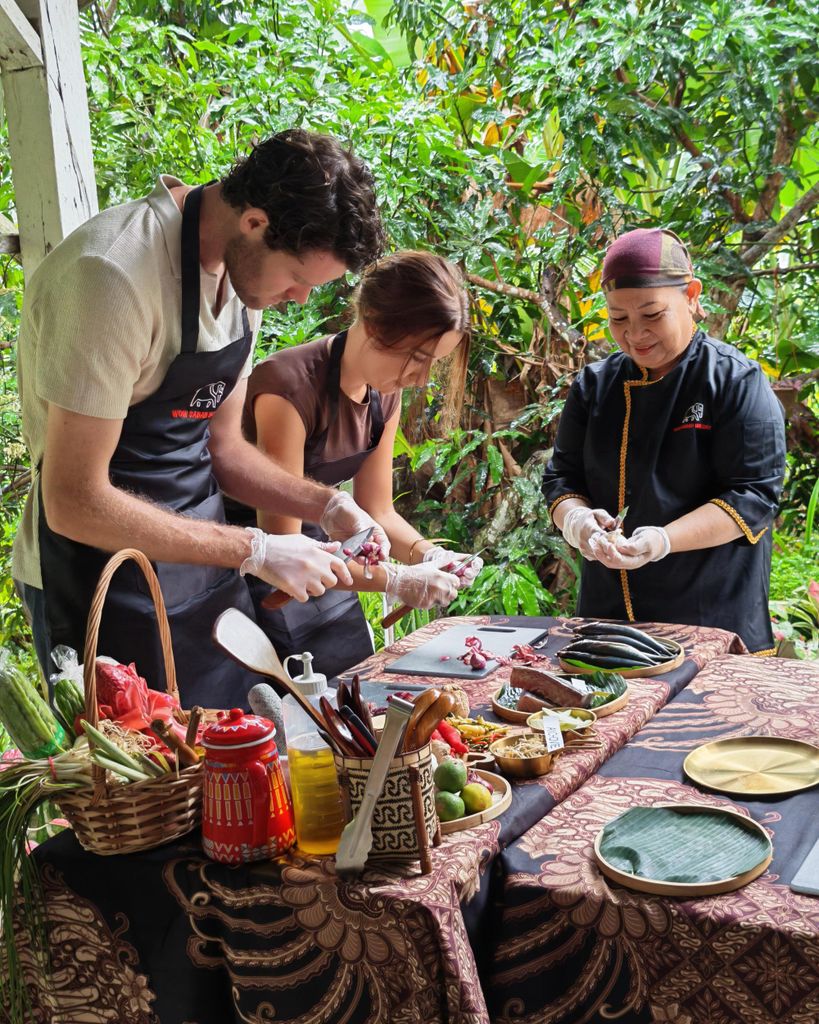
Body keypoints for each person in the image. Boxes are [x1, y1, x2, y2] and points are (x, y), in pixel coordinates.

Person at [13, 129, 389, 708]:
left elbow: (225, 451)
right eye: (298, 278)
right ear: (256, 222)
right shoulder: (111, 276)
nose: (298, 299)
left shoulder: (244, 283)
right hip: (98, 582)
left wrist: (328, 506)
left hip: (204, 574)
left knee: (243, 763)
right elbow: (74, 500)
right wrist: (256, 549)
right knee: (153, 789)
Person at [226, 250, 483, 677]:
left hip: (330, 567)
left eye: (432, 365)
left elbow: (379, 510)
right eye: (417, 359)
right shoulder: (288, 387)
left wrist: (429, 555)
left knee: (358, 692)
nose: (421, 379)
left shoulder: (385, 391)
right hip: (263, 576)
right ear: (373, 324)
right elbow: (284, 548)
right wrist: (398, 580)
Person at [542, 227, 786, 654]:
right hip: (609, 618)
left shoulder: (735, 381)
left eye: (652, 315)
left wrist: (662, 541)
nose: (635, 334)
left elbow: (755, 495)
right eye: (618, 318)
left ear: (691, 295)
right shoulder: (594, 386)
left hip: (710, 618)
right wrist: (578, 522)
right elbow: (562, 480)